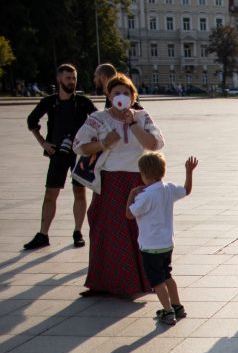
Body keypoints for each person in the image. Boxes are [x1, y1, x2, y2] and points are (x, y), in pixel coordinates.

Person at [74, 73, 164, 296]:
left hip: (138, 178)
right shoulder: (99, 118)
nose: (121, 97)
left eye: (125, 93)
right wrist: (104, 143)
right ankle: (102, 282)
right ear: (109, 96)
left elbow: (154, 144)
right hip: (110, 180)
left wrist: (132, 124)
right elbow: (81, 146)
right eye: (116, 93)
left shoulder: (141, 117)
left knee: (138, 229)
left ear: (133, 97)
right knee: (107, 229)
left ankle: (142, 280)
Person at [23, 63, 97, 250]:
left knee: (79, 192)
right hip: (57, 153)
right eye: (68, 78)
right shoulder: (49, 102)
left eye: (73, 78)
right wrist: (43, 142)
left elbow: (99, 121)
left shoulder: (83, 102)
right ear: (59, 79)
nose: (71, 82)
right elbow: (32, 121)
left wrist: (92, 144)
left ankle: (77, 232)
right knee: (50, 194)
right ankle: (43, 234)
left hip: (79, 154)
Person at [126, 153, 195, 325]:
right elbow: (186, 190)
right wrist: (189, 172)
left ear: (144, 173)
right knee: (167, 276)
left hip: (150, 246)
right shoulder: (169, 188)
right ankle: (177, 305)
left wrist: (131, 195)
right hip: (167, 244)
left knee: (157, 282)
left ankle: (168, 311)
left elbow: (129, 214)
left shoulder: (145, 196)